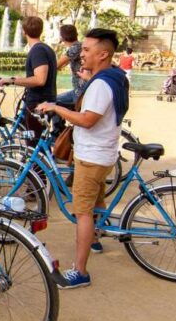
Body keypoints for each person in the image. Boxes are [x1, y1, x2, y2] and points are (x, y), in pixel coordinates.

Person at [35, 28, 129, 289]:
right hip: (105, 153)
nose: (81, 54)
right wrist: (88, 79)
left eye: (87, 50)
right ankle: (96, 240)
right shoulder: (115, 76)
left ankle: (80, 271)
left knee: (83, 212)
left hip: (91, 157)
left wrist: (57, 108)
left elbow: (88, 120)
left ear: (103, 54)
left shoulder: (101, 85)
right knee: (97, 201)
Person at [0, 16, 56, 139]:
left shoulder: (37, 50)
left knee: (33, 143)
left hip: (38, 103)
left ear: (24, 31)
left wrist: (12, 81)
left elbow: (40, 79)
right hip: (44, 100)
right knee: (35, 140)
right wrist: (18, 79)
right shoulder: (46, 48)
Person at [55, 25, 84, 106]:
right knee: (55, 102)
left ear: (62, 37)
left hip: (80, 90)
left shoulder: (75, 48)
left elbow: (57, 65)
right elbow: (63, 64)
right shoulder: (78, 46)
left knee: (54, 103)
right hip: (78, 89)